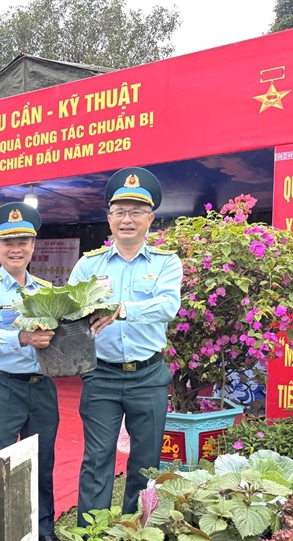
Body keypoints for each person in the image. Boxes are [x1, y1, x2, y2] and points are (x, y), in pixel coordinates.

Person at [68, 167, 182, 520]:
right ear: (109, 219)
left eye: (135, 212)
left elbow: (168, 306)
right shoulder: (89, 265)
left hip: (148, 376)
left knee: (146, 463)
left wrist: (123, 310)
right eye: (119, 212)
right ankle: (92, 535)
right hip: (101, 375)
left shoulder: (166, 263)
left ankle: (137, 531)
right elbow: (70, 309)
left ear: (150, 219)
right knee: (97, 458)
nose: (127, 220)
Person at [0, 202, 63, 541]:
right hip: (2, 386)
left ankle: (43, 528)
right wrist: (23, 337)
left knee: (43, 460)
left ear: (33, 246)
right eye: (8, 243)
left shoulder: (46, 289)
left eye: (23, 242)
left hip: (42, 385)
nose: (16, 249)